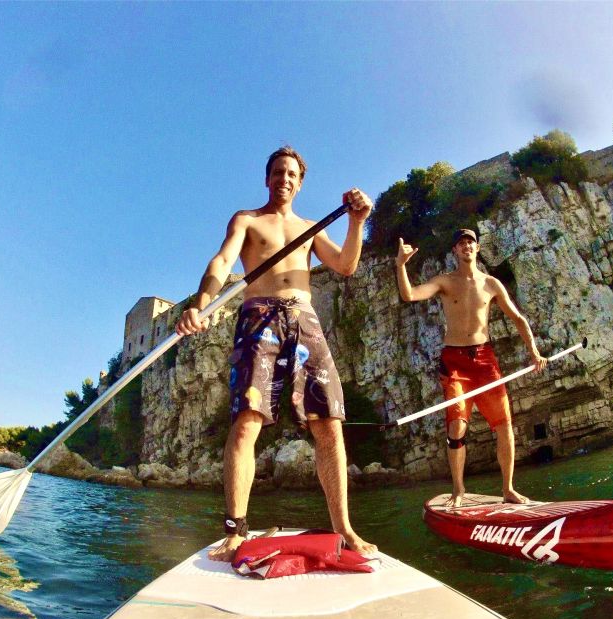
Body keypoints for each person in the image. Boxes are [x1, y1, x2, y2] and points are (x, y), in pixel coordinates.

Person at [176, 146, 377, 561]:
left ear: (299, 183)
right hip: (258, 318)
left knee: (329, 423)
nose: (284, 179)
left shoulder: (310, 227)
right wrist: (203, 302)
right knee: (248, 422)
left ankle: (345, 529)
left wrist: (357, 222)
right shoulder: (246, 220)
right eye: (278, 172)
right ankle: (236, 530)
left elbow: (345, 265)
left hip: (304, 319)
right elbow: (222, 261)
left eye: (291, 174)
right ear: (267, 178)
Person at [395, 229, 547, 506]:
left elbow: (519, 320)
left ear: (477, 248)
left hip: (485, 360)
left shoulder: (491, 284)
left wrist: (534, 352)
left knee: (504, 425)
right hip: (454, 363)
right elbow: (410, 295)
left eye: (471, 242)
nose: (466, 246)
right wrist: (401, 265)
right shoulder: (445, 281)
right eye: (461, 243)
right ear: (454, 250)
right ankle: (458, 491)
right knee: (456, 427)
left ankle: (508, 489)